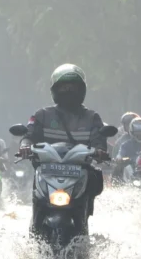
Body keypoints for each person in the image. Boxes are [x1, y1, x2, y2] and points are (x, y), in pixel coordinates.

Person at [17, 64, 109, 215]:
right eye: (64, 88)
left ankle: (86, 211)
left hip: (79, 171)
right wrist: (25, 146)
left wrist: (100, 151)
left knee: (95, 178)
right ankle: (36, 225)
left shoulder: (92, 117)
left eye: (73, 87)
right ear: (55, 90)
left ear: (82, 90)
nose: (69, 92)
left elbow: (98, 140)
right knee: (37, 198)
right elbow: (29, 135)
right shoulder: (42, 115)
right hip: (47, 170)